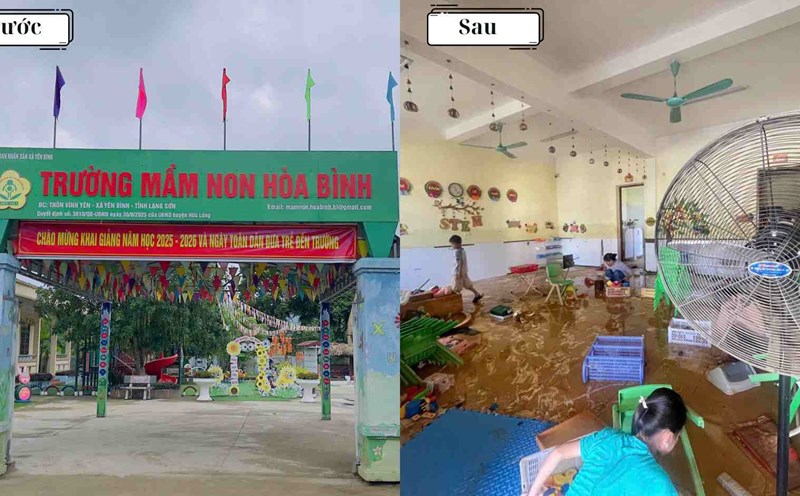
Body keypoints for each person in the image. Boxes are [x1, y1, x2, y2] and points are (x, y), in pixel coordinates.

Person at [526, 388, 687, 496]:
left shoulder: (608, 436)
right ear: (668, 438)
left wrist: (531, 494)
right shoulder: (660, 483)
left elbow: (558, 452)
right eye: (677, 436)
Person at [449, 234, 482, 303]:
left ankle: (456, 303)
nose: (452, 246)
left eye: (452, 244)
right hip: (464, 271)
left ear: (457, 244)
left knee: (456, 288)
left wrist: (459, 272)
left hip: (458, 272)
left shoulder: (457, 252)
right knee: (468, 285)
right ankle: (477, 294)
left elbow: (460, 262)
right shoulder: (462, 250)